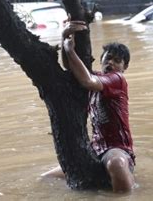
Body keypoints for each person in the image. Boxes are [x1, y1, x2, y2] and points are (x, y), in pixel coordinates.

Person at [43, 20, 135, 193]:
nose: (111, 63)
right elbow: (72, 69)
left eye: (117, 61)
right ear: (100, 61)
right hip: (94, 149)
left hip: (116, 148)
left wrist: (70, 49)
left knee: (116, 163)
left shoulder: (117, 80)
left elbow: (86, 80)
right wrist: (64, 38)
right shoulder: (96, 78)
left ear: (124, 67)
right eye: (108, 58)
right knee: (47, 178)